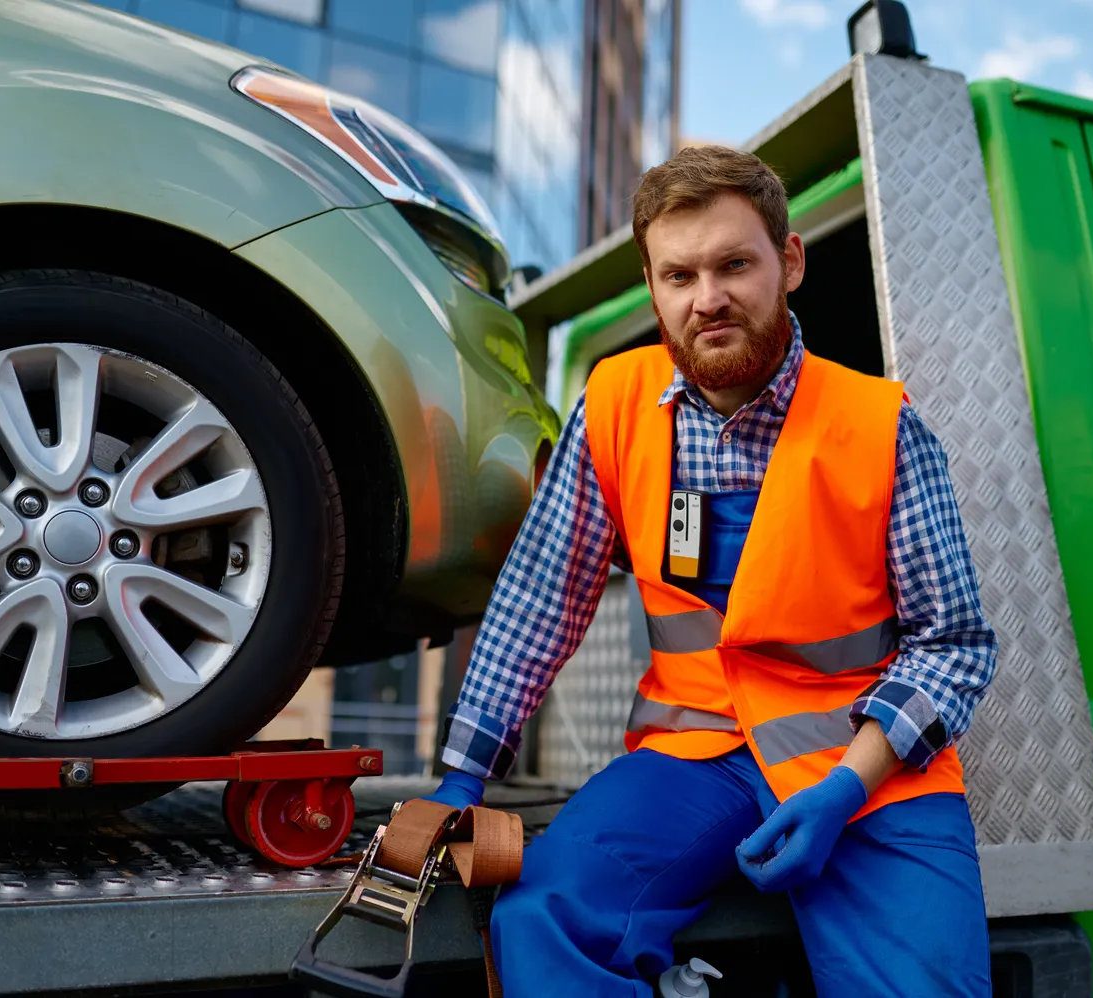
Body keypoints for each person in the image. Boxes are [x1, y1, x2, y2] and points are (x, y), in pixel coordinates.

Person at [424, 144, 998, 997]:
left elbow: (954, 644)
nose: (709, 298)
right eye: (679, 275)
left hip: (860, 768)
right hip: (694, 758)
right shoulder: (613, 406)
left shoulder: (881, 426)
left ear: (789, 262)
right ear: (653, 288)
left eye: (735, 264)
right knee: (541, 921)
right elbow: (543, 594)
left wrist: (849, 784)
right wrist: (466, 771)